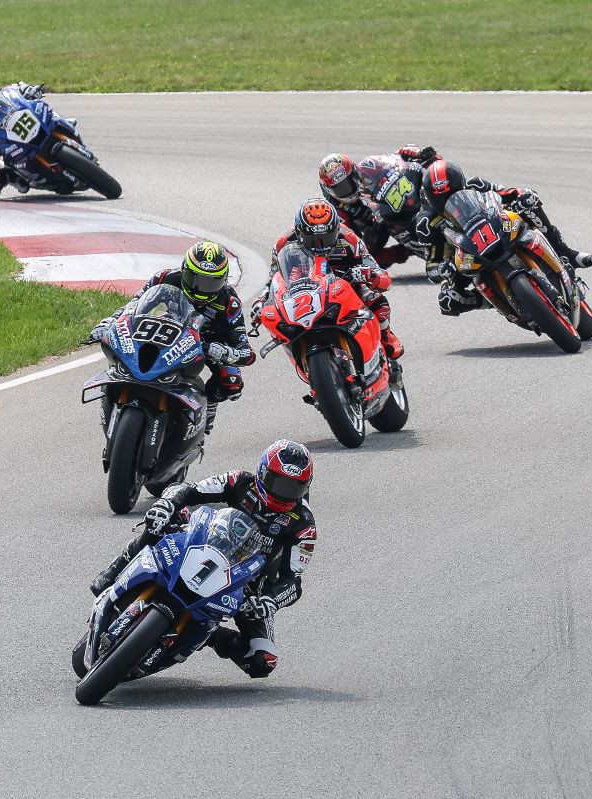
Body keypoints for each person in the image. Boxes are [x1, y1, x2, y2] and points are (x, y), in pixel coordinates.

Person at [90, 440, 317, 678]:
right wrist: (167, 504)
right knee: (159, 522)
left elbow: (293, 581)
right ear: (262, 473)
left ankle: (211, 635)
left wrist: (270, 601)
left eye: (293, 488)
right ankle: (116, 570)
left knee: (262, 662)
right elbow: (189, 489)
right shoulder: (239, 481)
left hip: (245, 587)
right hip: (204, 545)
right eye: (277, 483)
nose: (282, 493)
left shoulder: (304, 526)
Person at [90, 240, 254, 433]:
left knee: (232, 382)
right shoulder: (164, 278)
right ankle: (121, 388)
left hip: (209, 342)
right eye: (196, 279)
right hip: (172, 328)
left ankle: (207, 408)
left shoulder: (230, 302)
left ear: (223, 280)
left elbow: (246, 351)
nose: (201, 289)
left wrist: (226, 352)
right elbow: (131, 307)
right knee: (124, 347)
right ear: (185, 270)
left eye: (211, 283)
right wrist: (110, 322)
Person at [417, 158, 592, 315]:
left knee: (528, 202)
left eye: (454, 192)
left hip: (497, 228)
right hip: (467, 258)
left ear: (462, 184)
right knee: (448, 300)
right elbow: (431, 267)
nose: (449, 199)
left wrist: (521, 195)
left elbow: (506, 193)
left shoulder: (476, 185)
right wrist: (443, 268)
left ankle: (566, 253)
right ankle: (488, 301)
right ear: (430, 197)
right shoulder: (427, 224)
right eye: (441, 198)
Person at [254, 198, 403, 360]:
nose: (320, 245)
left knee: (374, 297)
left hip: (344, 284)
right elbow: (274, 279)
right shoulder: (284, 243)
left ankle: (385, 332)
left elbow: (377, 271)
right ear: (299, 232)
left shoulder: (349, 238)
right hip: (304, 290)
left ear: (336, 228)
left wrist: (370, 275)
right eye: (313, 239)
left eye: (327, 237)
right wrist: (261, 300)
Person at [318, 146, 442, 268]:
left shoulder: (368, 165)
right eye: (340, 188)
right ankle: (405, 249)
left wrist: (417, 153)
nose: (347, 190)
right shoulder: (338, 212)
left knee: (434, 166)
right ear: (329, 191)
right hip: (378, 229)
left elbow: (396, 156)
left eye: (348, 183)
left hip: (402, 198)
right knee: (363, 260)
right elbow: (349, 246)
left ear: (353, 172)